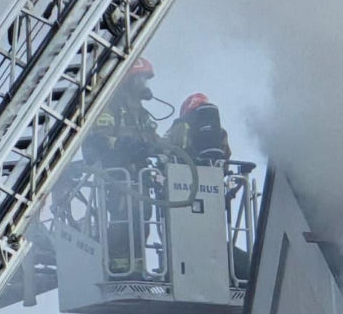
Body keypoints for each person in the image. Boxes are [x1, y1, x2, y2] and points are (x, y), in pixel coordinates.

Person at [82, 57, 159, 276]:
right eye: (141, 78)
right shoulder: (112, 106)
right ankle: (117, 265)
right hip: (119, 177)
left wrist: (165, 148)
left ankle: (137, 266)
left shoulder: (142, 114)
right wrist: (122, 145)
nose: (145, 84)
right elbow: (100, 136)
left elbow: (153, 139)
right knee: (122, 218)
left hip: (140, 177)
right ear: (129, 79)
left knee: (143, 219)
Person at [166, 93, 231, 165]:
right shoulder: (220, 131)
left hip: (181, 167)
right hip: (213, 169)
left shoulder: (180, 125)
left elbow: (163, 145)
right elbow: (226, 155)